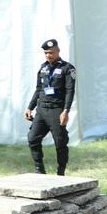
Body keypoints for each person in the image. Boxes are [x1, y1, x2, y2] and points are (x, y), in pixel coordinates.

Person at [24, 38, 75, 176]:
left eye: (51, 52)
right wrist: (30, 107)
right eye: (46, 53)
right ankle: (39, 169)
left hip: (56, 110)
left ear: (58, 51)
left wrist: (66, 111)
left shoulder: (67, 68)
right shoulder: (43, 68)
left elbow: (70, 91)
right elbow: (38, 89)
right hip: (41, 109)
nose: (48, 55)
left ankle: (61, 171)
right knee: (32, 138)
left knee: (60, 142)